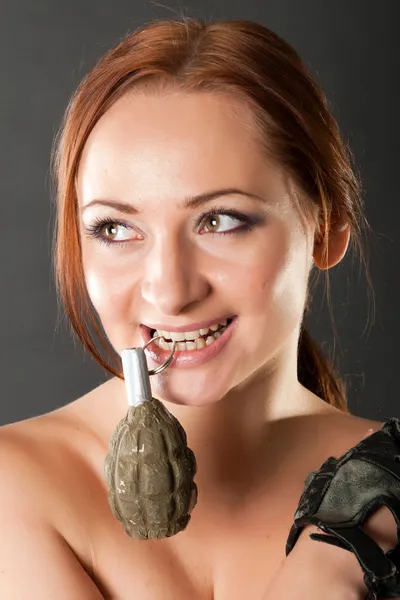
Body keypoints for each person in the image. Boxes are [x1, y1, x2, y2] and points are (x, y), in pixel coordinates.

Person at [0, 16, 397, 600]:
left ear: (327, 226)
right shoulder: (14, 485)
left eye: (220, 221)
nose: (168, 290)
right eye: (114, 227)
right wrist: (327, 574)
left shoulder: (386, 491)